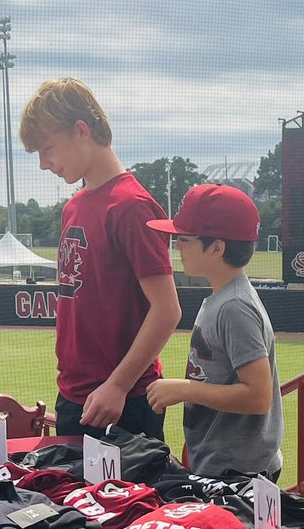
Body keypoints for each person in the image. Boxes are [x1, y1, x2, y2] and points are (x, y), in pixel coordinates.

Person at [19, 77, 181, 438]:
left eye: (47, 148)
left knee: (127, 498)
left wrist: (118, 386)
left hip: (124, 402)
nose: (44, 164)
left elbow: (168, 309)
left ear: (81, 131)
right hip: (74, 397)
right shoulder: (73, 208)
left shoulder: (131, 207)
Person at [146, 184, 282, 480]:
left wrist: (184, 389)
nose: (177, 246)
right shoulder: (225, 298)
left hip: (237, 471)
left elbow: (258, 397)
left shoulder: (234, 307)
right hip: (224, 464)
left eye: (183, 239)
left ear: (217, 247)